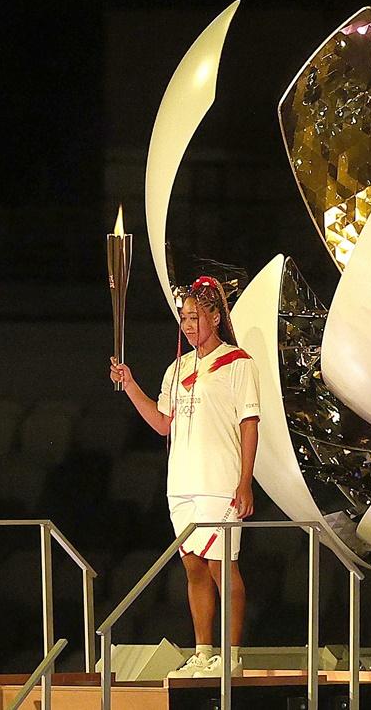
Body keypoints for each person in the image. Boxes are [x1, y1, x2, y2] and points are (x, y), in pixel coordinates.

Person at [109, 275, 260, 678]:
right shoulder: (176, 369)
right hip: (182, 483)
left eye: (195, 316)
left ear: (215, 315)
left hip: (220, 482)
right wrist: (129, 384)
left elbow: (249, 424)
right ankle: (204, 652)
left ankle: (232, 656)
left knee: (221, 567)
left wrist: (245, 481)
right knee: (193, 567)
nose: (189, 325)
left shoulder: (238, 363)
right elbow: (162, 424)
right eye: (183, 318)